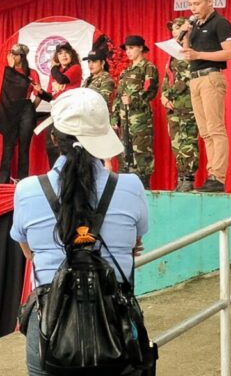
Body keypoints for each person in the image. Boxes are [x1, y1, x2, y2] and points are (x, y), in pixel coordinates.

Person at [11, 88, 148, 376]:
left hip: (50, 323)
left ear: (54, 140)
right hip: (117, 322)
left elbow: (30, 253)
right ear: (103, 139)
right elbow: (135, 244)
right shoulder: (132, 186)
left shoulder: (26, 190)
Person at [180, 0, 231, 193]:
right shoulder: (193, 25)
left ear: (210, 2)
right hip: (194, 79)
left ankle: (217, 177)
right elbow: (188, 52)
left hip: (211, 77)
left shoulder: (220, 23)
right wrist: (185, 33)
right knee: (204, 132)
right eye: (190, 4)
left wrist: (199, 55)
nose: (193, 8)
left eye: (197, 3)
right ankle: (212, 176)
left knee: (215, 129)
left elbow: (230, 53)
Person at [112, 35, 159, 188]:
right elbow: (119, 96)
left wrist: (134, 100)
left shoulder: (148, 67)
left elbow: (150, 90)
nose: (128, 52)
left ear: (140, 48)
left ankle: (144, 186)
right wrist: (114, 120)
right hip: (125, 119)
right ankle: (127, 187)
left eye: (131, 48)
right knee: (125, 154)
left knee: (142, 152)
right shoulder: (125, 72)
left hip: (140, 119)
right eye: (127, 49)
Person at [0, 44, 42, 183]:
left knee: (24, 147)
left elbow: (38, 94)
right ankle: (1, 182)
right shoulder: (5, 71)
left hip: (25, 108)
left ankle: (23, 181)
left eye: (16, 54)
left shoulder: (31, 73)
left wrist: (30, 108)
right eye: (11, 53)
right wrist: (10, 67)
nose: (13, 56)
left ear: (22, 56)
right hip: (9, 110)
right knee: (8, 146)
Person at [162, 18, 200, 192]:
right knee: (176, 142)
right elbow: (167, 77)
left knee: (188, 140)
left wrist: (169, 94)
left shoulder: (190, 50)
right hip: (174, 105)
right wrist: (164, 95)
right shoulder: (173, 53)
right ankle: (181, 175)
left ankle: (189, 177)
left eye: (178, 28)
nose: (175, 32)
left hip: (188, 103)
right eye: (173, 30)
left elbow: (185, 77)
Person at [37, 42, 82, 167]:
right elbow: (52, 97)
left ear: (72, 55)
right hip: (56, 111)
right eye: (60, 53)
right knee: (51, 145)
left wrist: (53, 67)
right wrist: (40, 92)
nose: (63, 55)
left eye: (66, 52)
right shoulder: (56, 72)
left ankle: (71, 173)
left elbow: (62, 79)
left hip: (69, 111)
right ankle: (56, 173)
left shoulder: (75, 68)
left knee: (67, 143)